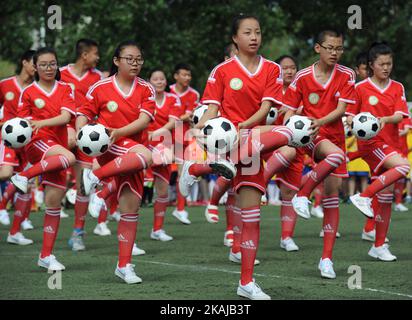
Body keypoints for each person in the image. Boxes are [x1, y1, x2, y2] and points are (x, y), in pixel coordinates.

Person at [180, 14, 295, 300]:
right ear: (235, 38)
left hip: (250, 142)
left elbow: (266, 107)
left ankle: (246, 283)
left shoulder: (271, 69)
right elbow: (210, 110)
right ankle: (209, 163)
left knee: (252, 220)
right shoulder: (220, 71)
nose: (254, 37)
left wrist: (243, 126)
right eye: (247, 32)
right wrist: (200, 130)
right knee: (286, 133)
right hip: (230, 143)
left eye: (258, 32)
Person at [77, 40, 155, 283]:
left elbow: (144, 121)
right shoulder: (99, 87)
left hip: (129, 150)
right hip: (110, 149)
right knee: (147, 156)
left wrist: (119, 132)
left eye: (139, 59)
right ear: (116, 61)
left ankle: (124, 266)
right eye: (129, 58)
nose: (135, 63)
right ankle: (96, 179)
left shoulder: (146, 88)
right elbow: (83, 115)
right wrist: (82, 135)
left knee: (130, 210)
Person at [283, 30, 357, 279]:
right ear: (317, 48)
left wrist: (318, 121)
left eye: (339, 48)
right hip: (311, 137)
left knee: (331, 196)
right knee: (335, 157)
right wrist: (293, 128)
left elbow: (342, 109)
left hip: (333, 137)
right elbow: (289, 110)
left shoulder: (347, 74)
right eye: (330, 48)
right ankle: (302, 195)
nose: (335, 53)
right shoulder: (303, 77)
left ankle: (326, 259)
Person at [11, 47, 77, 271]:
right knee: (69, 157)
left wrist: (42, 122)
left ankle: (46, 256)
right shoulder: (28, 92)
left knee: (53, 204)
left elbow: (66, 117)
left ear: (57, 65)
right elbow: (22, 123)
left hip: (55, 149)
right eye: (43, 64)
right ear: (35, 67)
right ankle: (24, 174)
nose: (49, 68)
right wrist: (36, 126)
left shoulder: (66, 89)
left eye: (52, 64)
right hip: (37, 144)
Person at [347, 42, 410, 261]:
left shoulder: (397, 87)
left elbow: (400, 115)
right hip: (371, 144)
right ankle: (363, 196)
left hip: (390, 144)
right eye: (381, 64)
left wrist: (383, 119)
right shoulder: (359, 88)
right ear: (371, 65)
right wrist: (355, 123)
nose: (386, 67)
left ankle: (378, 246)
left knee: (385, 198)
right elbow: (349, 116)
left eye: (389, 63)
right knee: (404, 166)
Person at [59, 38, 103, 251]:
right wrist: (67, 127)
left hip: (87, 137)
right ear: (84, 54)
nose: (98, 58)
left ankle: (77, 232)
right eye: (95, 53)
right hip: (61, 134)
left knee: (84, 185)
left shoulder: (98, 78)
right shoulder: (61, 73)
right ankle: (17, 226)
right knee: (53, 185)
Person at [0, 50, 36, 234]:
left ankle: (22, 222)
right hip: (7, 138)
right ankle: (2, 208)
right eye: (34, 63)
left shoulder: (36, 88)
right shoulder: (5, 85)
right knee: (6, 173)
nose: (36, 67)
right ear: (24, 63)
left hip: (28, 141)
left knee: (26, 183)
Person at [169, 63, 200, 225]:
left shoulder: (194, 94)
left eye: (189, 75)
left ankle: (180, 209)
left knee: (183, 173)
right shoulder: (168, 91)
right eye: (184, 75)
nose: (187, 78)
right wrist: (182, 117)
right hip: (164, 136)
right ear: (176, 76)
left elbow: (192, 117)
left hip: (183, 137)